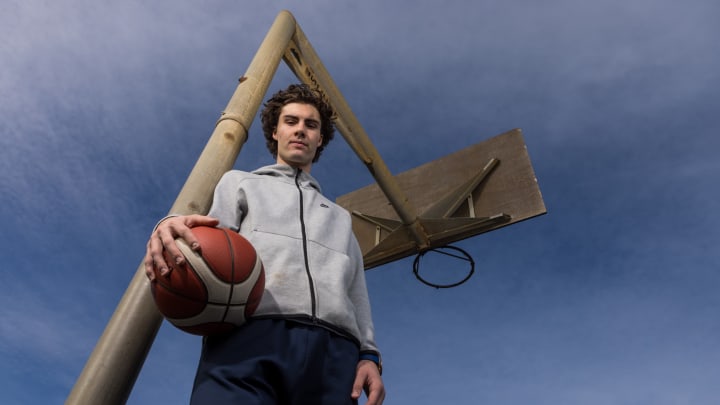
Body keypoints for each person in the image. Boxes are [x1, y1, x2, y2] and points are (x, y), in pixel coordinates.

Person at [144, 84, 385, 405]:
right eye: (291, 121)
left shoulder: (340, 217)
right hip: (249, 337)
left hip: (334, 352)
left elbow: (357, 291)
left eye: (311, 125)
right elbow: (208, 242)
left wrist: (368, 354)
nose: (300, 130)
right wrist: (170, 224)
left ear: (320, 139)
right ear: (275, 132)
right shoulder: (240, 183)